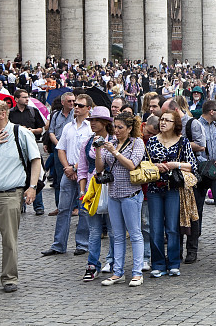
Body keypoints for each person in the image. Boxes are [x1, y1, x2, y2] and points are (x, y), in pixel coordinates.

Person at [0, 100, 41, 293]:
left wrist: (32, 187)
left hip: (9, 195)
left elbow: (35, 160)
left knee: (9, 240)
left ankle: (9, 278)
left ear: (3, 114)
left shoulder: (20, 133)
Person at [145, 108, 196, 278]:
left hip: (174, 188)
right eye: (162, 120)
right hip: (154, 188)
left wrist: (175, 165)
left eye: (167, 120)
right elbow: (144, 164)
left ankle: (174, 262)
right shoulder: (152, 141)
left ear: (176, 124)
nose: (163, 122)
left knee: (173, 228)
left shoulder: (183, 142)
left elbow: (192, 166)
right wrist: (155, 167)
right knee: (155, 228)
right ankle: (158, 263)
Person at [43, 93, 94, 257]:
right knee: (63, 208)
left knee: (84, 209)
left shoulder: (91, 128)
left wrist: (75, 167)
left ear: (88, 109)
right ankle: (58, 244)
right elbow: (61, 149)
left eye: (79, 105)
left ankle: (82, 243)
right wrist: (67, 167)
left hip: (84, 173)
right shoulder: (68, 127)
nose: (76, 107)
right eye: (75, 105)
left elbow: (90, 152)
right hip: (69, 172)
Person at [98, 112, 145, 286]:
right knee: (117, 235)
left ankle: (137, 272)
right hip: (113, 194)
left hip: (131, 193)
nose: (116, 131)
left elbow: (132, 164)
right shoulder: (112, 143)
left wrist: (114, 152)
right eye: (115, 127)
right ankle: (117, 272)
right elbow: (100, 168)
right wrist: (99, 149)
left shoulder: (136, 143)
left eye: (120, 127)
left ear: (130, 128)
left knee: (134, 234)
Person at [77, 107, 116, 282]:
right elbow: (83, 169)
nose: (92, 123)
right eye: (91, 120)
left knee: (114, 229)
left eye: (96, 120)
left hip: (112, 186)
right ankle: (92, 264)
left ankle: (113, 261)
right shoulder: (86, 143)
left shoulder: (115, 141)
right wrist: (82, 190)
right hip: (93, 189)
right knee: (94, 230)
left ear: (105, 123)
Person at [188, 99, 216, 262]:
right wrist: (204, 163)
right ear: (211, 111)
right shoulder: (196, 126)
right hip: (202, 169)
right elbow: (196, 147)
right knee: (198, 204)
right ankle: (195, 234)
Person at [8, 89, 45, 215]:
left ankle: (38, 205)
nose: (27, 99)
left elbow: (41, 128)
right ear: (16, 99)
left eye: (27, 97)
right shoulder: (10, 113)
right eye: (24, 97)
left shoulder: (33, 111)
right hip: (16, 148)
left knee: (36, 176)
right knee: (19, 176)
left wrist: (32, 131)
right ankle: (21, 204)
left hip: (32, 146)